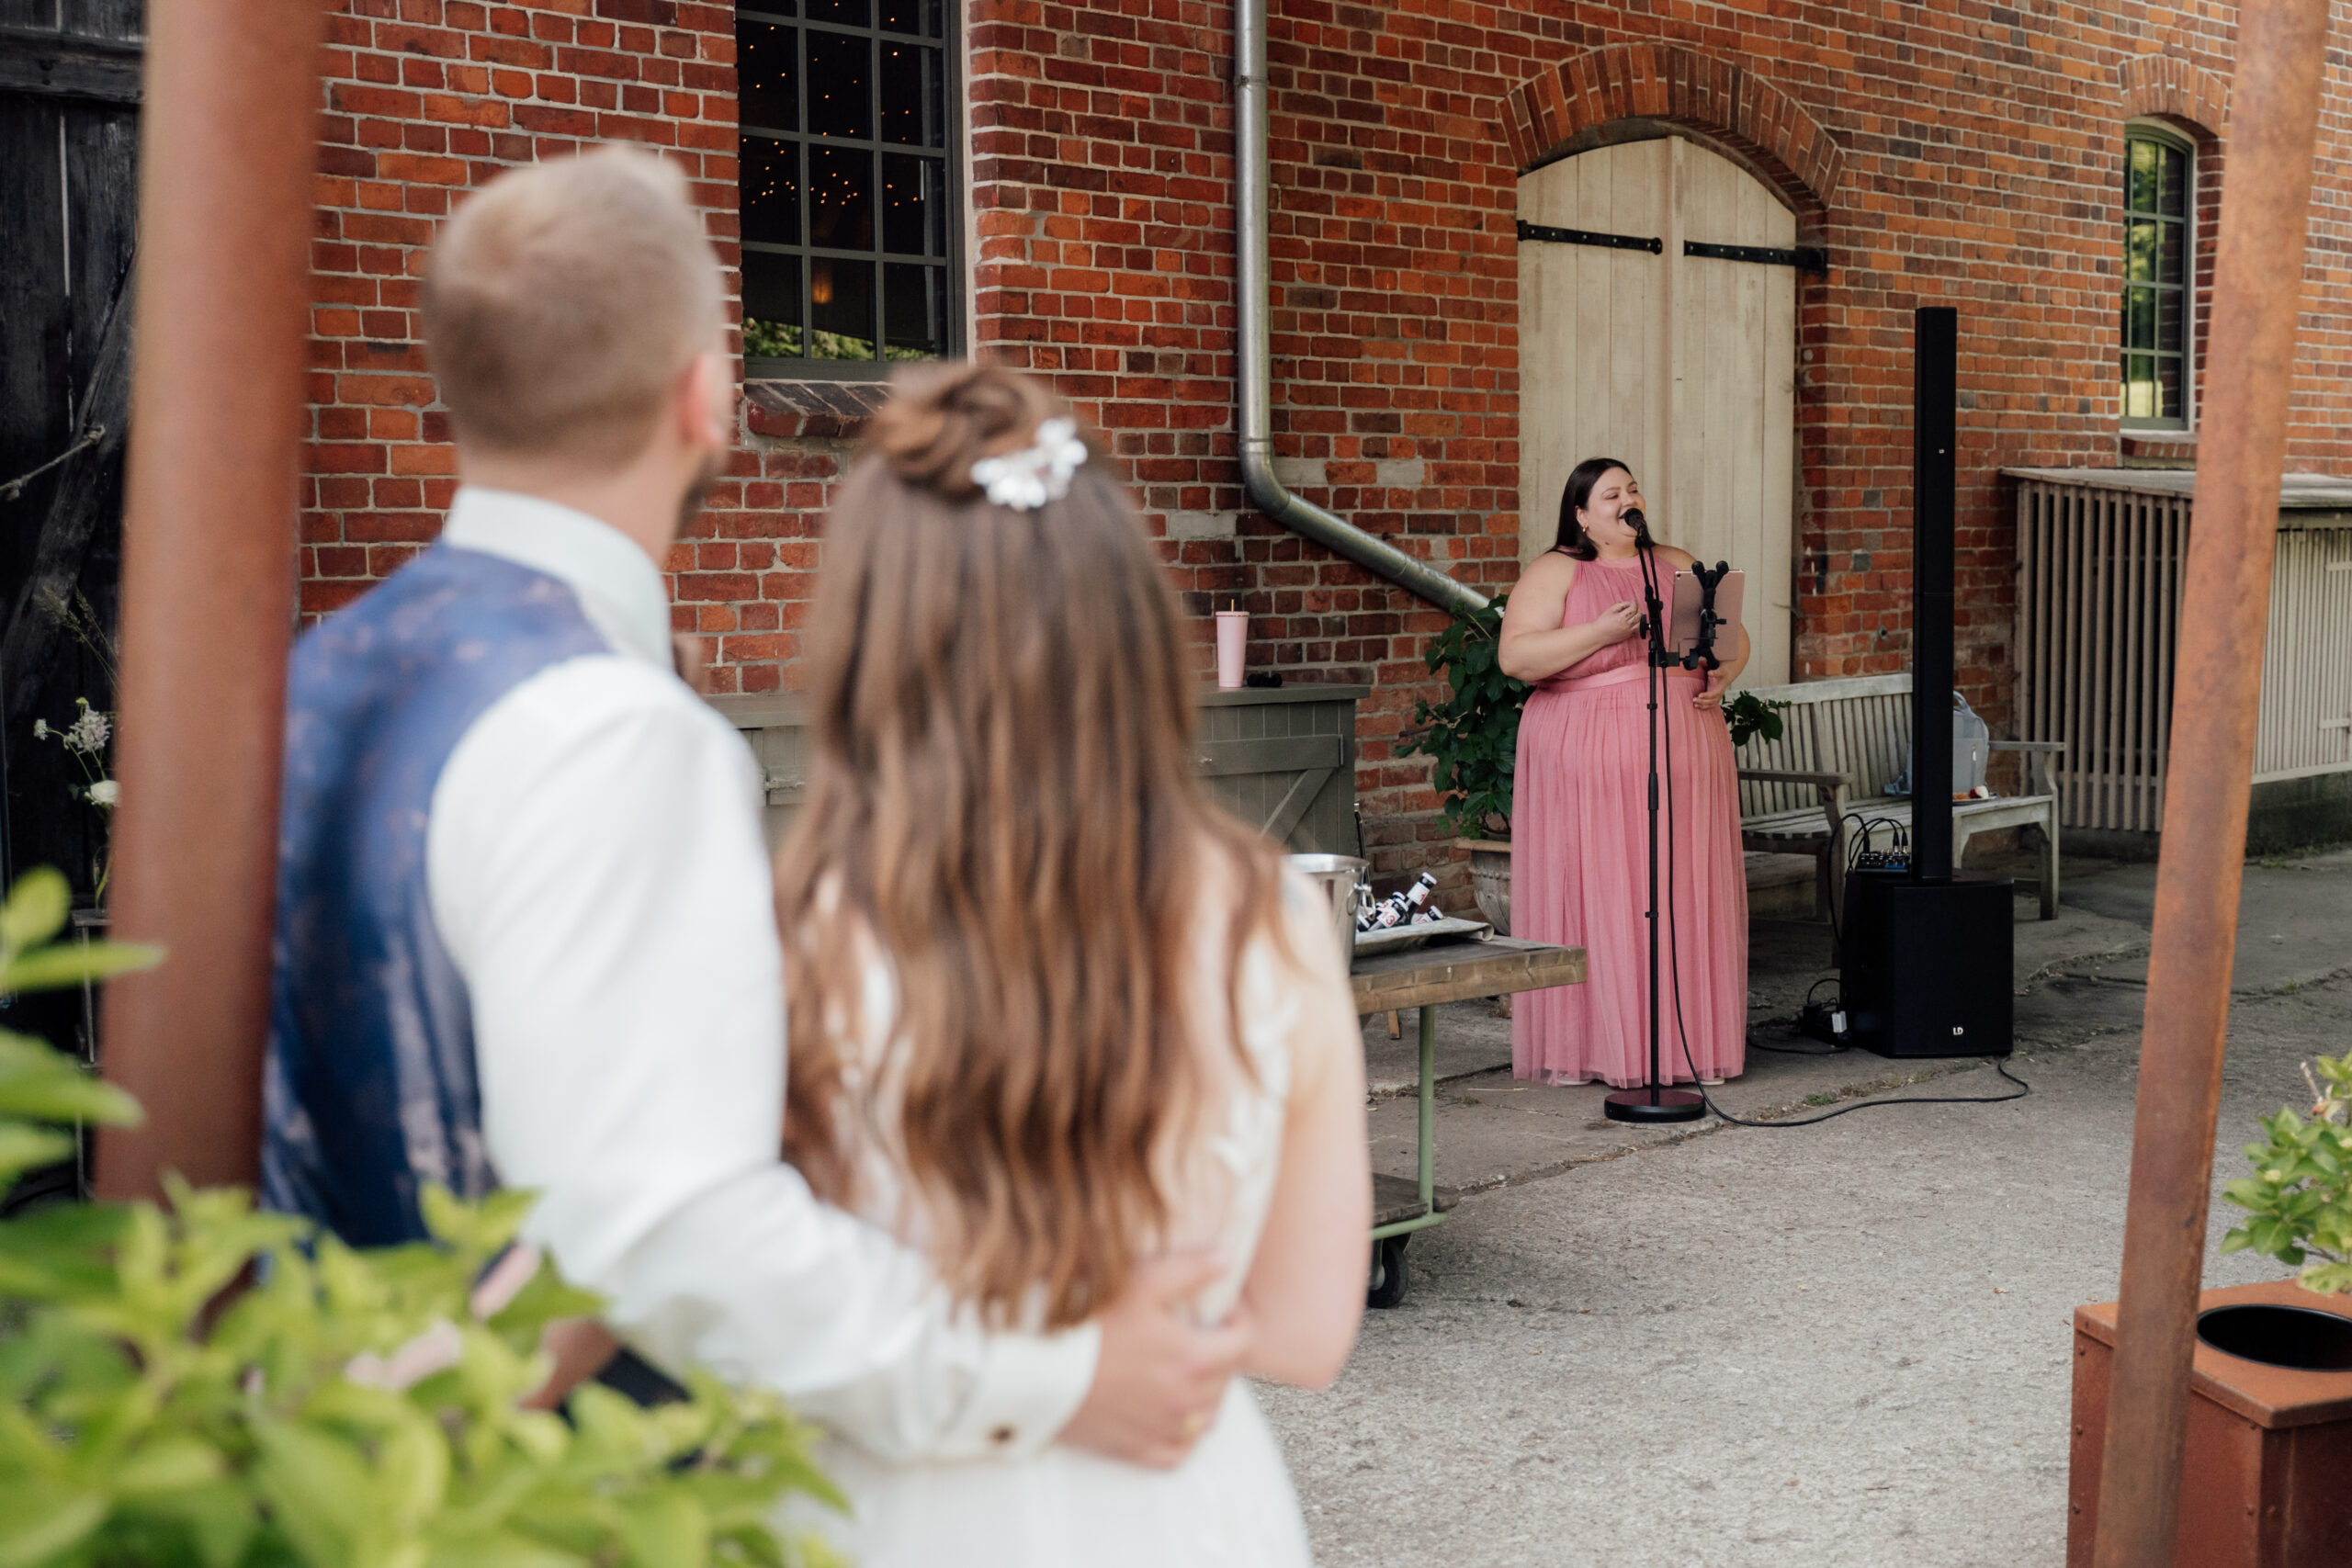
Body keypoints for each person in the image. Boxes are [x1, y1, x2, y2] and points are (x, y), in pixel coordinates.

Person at [262, 148, 1250, 1472]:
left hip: (326, 1462)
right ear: (706, 394)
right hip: (561, 1502)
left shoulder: (309, 676)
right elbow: (669, 1229)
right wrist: (1043, 1370)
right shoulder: (613, 732)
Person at [769, 364, 1370, 1566]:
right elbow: (1306, 1327)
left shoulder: (800, 927)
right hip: (1177, 1504)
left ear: (869, 641)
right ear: (1127, 620)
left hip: (884, 1506)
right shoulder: (1270, 917)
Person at [1497, 458, 1749, 1088]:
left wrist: (1726, 669)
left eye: (1632, 488)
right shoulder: (1556, 569)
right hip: (1588, 760)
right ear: (1581, 513)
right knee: (1608, 893)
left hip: (1683, 745)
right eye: (1611, 493)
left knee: (1676, 890)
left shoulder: (1671, 561)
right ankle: (1604, 1046)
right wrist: (1600, 631)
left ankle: (1677, 1044)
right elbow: (1517, 656)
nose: (1627, 499)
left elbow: (1729, 634)